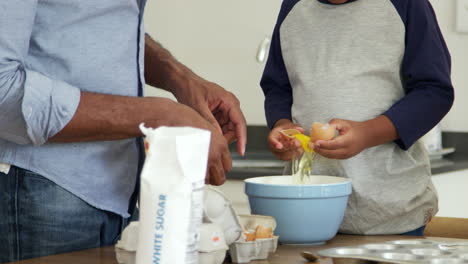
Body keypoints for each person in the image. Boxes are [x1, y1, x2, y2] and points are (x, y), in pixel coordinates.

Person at [0, 0, 246, 262]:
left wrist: (179, 78)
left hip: (119, 194)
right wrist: (160, 116)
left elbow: (98, 24)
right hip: (43, 193)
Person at [261, 0, 454, 236]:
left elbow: (434, 92)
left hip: (392, 212)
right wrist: (282, 124)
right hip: (307, 208)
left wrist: (368, 133)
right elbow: (277, 87)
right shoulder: (294, 7)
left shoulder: (407, 4)